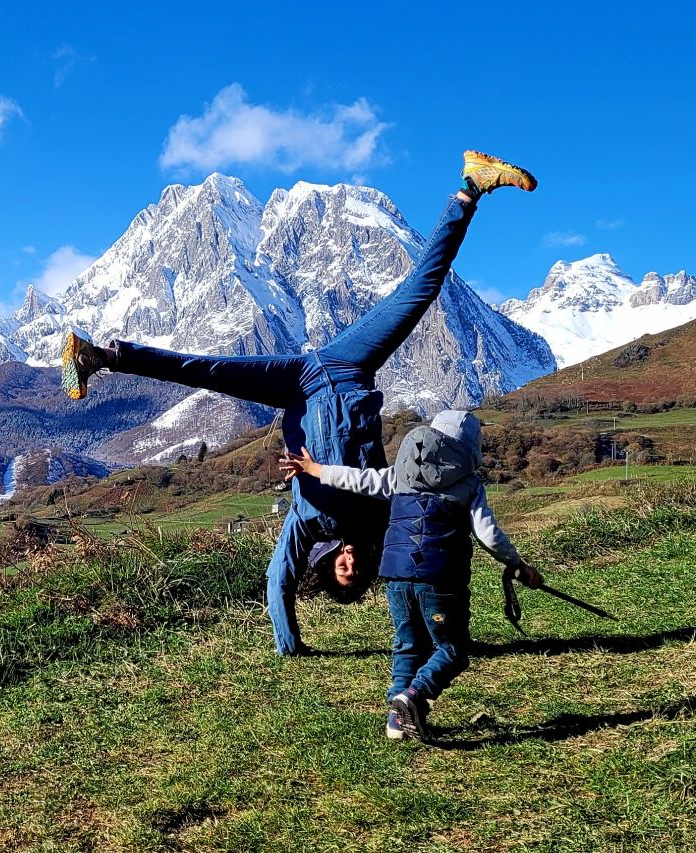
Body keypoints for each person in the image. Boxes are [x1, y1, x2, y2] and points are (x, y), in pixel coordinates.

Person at [62, 151, 537, 656]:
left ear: (328, 563)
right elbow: (431, 522)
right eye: (359, 575)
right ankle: (471, 185)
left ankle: (99, 355)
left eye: (343, 573)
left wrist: (291, 646)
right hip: (350, 367)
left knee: (203, 369)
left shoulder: (304, 519)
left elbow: (277, 582)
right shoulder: (384, 517)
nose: (351, 566)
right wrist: (499, 560)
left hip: (294, 385)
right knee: (421, 291)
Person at [279, 411, 542, 741]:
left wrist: (314, 469)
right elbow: (488, 534)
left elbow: (359, 480)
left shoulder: (401, 474)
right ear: (471, 447)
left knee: (407, 645)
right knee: (452, 649)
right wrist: (517, 563)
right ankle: (413, 696)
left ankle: (395, 721)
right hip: (440, 577)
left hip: (396, 574)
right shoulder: (469, 484)